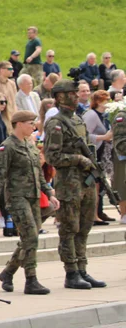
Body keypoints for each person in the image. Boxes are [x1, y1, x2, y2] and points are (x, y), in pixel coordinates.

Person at [44, 80, 105, 289]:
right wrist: (78, 160)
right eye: (72, 93)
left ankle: (82, 269)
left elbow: (87, 146)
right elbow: (52, 156)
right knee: (70, 228)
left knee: (85, 226)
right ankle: (71, 273)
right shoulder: (56, 123)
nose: (77, 95)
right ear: (60, 97)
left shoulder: (78, 119)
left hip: (85, 182)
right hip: (69, 183)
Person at [0, 112, 58, 294]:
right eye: (30, 123)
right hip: (17, 197)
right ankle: (31, 280)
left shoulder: (30, 144)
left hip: (33, 196)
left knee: (28, 238)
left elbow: (38, 173)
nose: (33, 127)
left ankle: (8, 271)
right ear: (18, 124)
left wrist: (49, 191)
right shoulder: (7, 147)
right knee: (31, 237)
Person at [83, 90, 116, 224]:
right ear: (98, 101)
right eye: (105, 99)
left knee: (101, 185)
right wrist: (104, 137)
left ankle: (100, 211)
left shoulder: (105, 115)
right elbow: (85, 135)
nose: (108, 102)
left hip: (102, 153)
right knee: (96, 185)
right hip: (93, 153)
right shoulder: (91, 115)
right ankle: (93, 215)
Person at [0, 62, 19, 133]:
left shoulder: (12, 83)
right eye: (9, 69)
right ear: (1, 70)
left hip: (14, 115)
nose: (12, 71)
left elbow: (15, 100)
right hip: (3, 116)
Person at [112, 107, 126, 224]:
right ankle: (124, 214)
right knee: (123, 187)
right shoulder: (122, 117)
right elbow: (120, 142)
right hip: (123, 159)